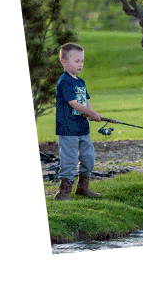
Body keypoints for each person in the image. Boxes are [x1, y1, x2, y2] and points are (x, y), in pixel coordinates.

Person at [53, 43, 104, 200]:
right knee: (69, 160)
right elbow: (74, 103)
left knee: (88, 157)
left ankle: (83, 188)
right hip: (67, 129)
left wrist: (91, 113)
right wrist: (91, 113)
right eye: (77, 61)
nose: (80, 64)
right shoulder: (65, 81)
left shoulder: (80, 82)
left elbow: (85, 101)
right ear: (64, 62)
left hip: (83, 128)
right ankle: (64, 192)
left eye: (82, 61)